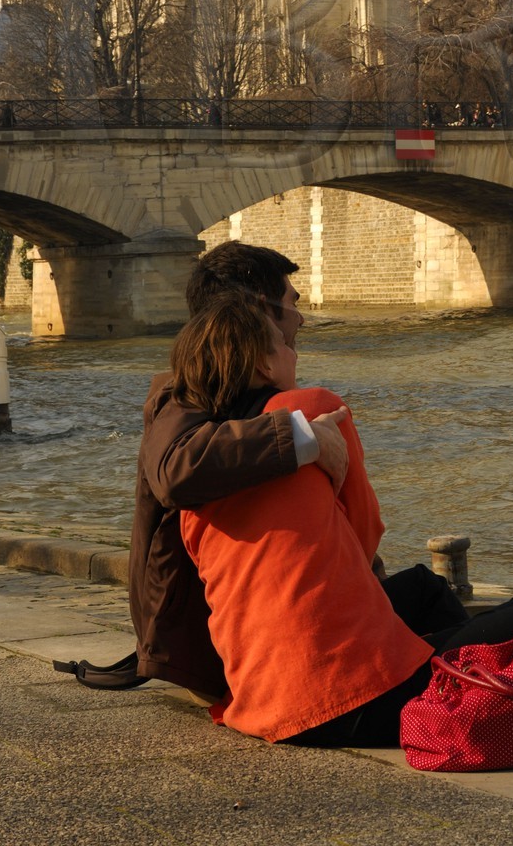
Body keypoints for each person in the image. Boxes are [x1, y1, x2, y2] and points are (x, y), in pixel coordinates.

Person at [176, 290, 513, 747]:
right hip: (348, 698)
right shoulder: (312, 408)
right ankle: (477, 693)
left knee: (422, 586)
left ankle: (465, 682)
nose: (293, 352)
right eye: (283, 343)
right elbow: (366, 536)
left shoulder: (201, 475)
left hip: (260, 700)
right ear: (263, 364)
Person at [128, 243, 350, 697]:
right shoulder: (184, 395)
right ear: (261, 312)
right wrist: (300, 436)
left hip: (237, 632)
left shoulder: (239, 394)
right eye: (292, 303)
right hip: (211, 651)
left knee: (425, 595)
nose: (300, 320)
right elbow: (175, 470)